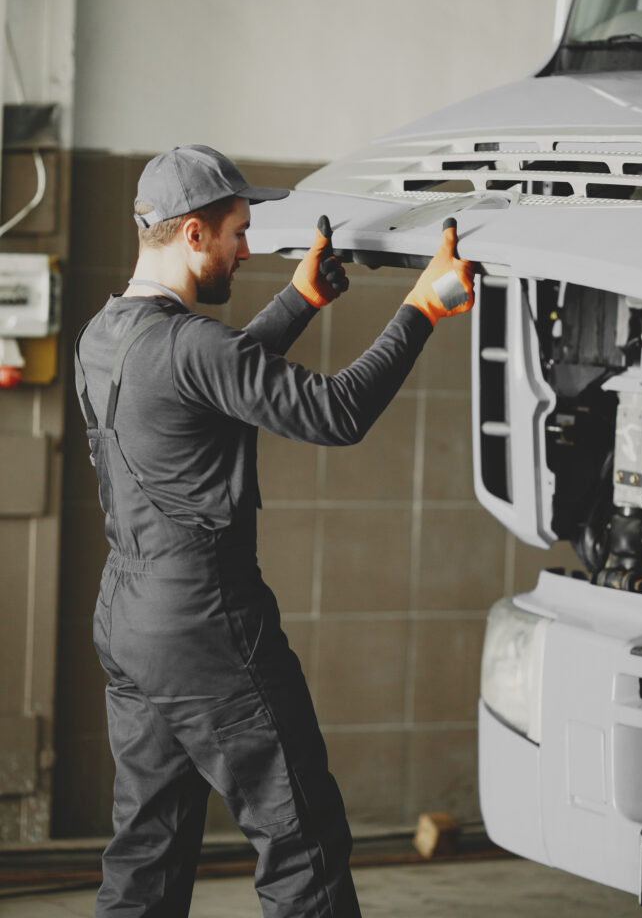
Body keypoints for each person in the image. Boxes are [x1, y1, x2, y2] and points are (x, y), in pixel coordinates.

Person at [75, 144, 475, 918]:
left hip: (127, 620)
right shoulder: (192, 345)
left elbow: (203, 379)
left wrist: (298, 302)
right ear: (193, 236)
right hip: (207, 624)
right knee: (301, 840)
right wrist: (423, 308)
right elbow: (337, 413)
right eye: (236, 232)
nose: (247, 248)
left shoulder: (108, 331)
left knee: (145, 850)